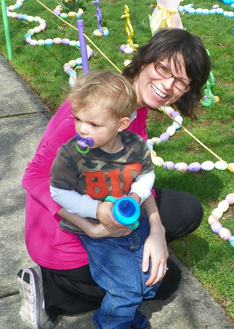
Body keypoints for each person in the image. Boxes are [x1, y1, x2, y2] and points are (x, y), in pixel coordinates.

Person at [18, 28, 212, 329]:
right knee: (158, 281)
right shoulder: (92, 112)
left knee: (185, 212)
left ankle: (123, 260)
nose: (166, 85)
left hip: (104, 199)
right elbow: (34, 176)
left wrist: (157, 232)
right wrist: (91, 227)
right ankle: (51, 290)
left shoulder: (137, 107)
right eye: (162, 68)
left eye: (181, 83)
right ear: (145, 59)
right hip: (64, 232)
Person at [50, 70, 159, 329]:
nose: (82, 129)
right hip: (100, 233)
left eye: (94, 125)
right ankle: (111, 322)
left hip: (135, 224)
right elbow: (59, 192)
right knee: (126, 290)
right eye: (78, 119)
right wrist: (96, 209)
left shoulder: (135, 146)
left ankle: (128, 315)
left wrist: (136, 195)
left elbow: (147, 175)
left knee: (149, 283)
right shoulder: (71, 154)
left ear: (121, 124)